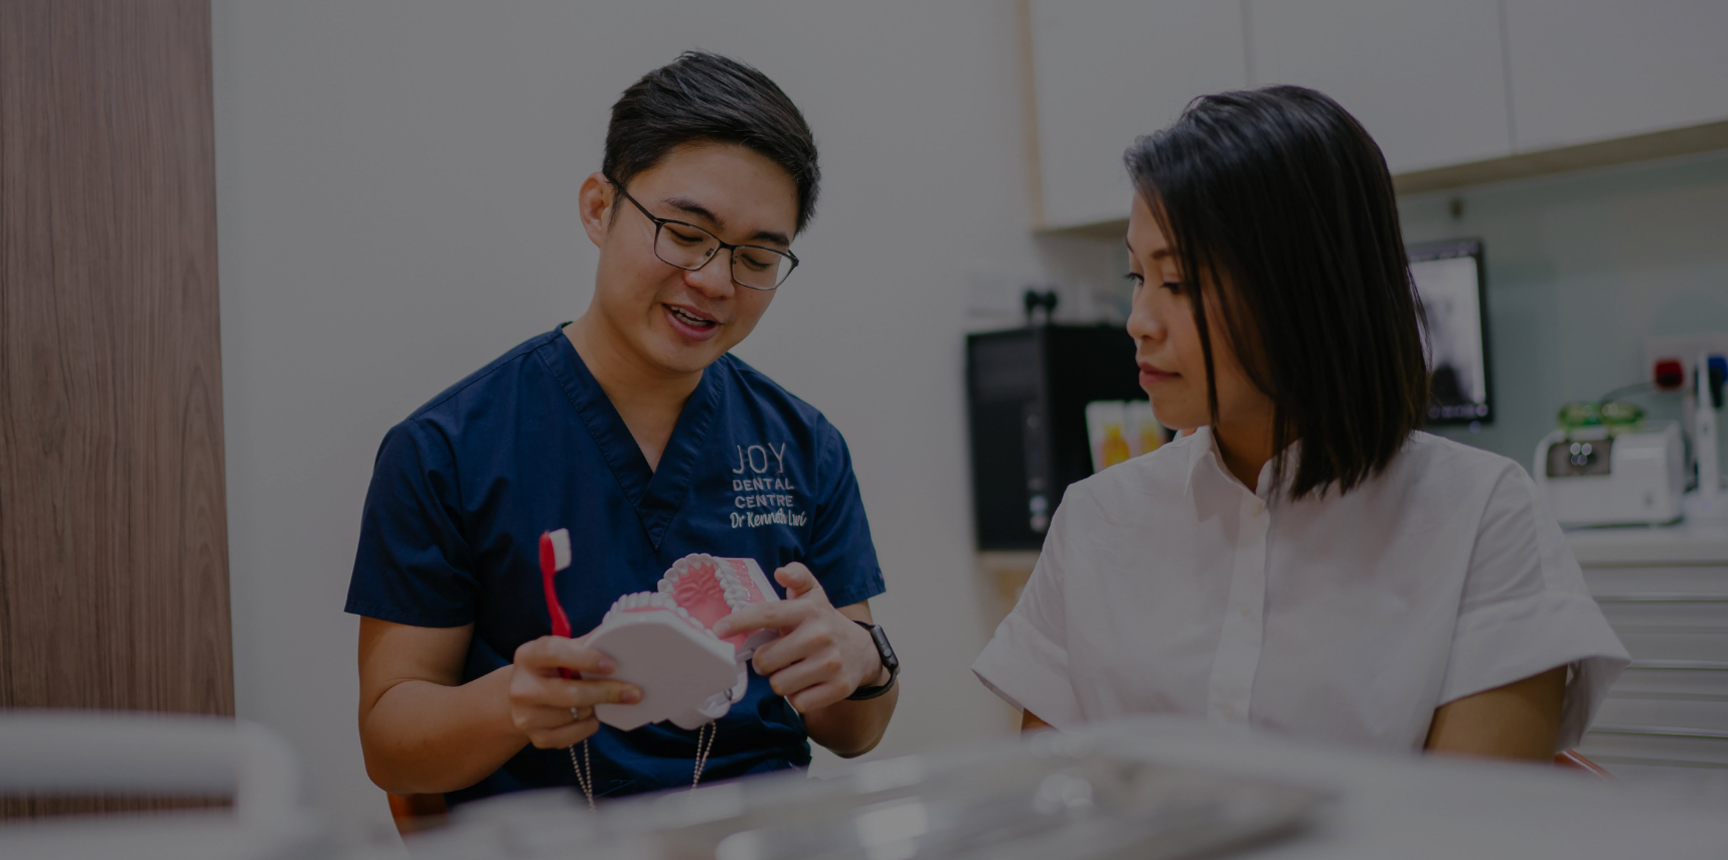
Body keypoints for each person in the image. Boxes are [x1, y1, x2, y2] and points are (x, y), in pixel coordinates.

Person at [972, 86, 1628, 761]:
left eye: (1179, 283)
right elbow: (1050, 804)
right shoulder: (1096, 520)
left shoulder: (1479, 515)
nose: (1139, 319)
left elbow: (1468, 827)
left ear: (1303, 288)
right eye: (1138, 277)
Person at [347, 52, 899, 807]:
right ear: (600, 208)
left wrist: (864, 661)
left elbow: (855, 732)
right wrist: (513, 699)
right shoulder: (447, 450)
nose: (712, 280)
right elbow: (390, 741)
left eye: (757, 256)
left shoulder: (803, 447)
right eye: (683, 232)